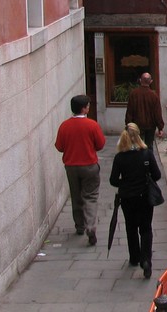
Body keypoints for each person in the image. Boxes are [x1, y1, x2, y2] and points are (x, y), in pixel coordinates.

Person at [109, 123, 163, 279]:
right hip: (145, 196)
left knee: (131, 227)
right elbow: (157, 175)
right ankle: (146, 260)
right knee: (146, 228)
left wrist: (125, 183)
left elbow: (113, 180)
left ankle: (134, 257)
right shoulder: (146, 154)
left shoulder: (120, 158)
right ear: (139, 135)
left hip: (127, 197)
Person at [54, 95, 106, 246]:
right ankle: (90, 226)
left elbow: (59, 147)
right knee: (90, 196)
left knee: (76, 195)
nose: (89, 108)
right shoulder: (92, 125)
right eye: (88, 106)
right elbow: (101, 144)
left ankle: (79, 226)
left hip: (71, 166)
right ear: (84, 108)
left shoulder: (64, 126)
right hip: (89, 165)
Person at [125, 72, 166, 151]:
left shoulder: (134, 94)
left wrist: (128, 125)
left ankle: (138, 161)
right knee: (149, 146)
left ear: (140, 80)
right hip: (150, 126)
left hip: (137, 125)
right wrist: (160, 127)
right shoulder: (154, 96)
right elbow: (157, 113)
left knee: (136, 146)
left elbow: (129, 111)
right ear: (150, 82)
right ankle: (148, 161)